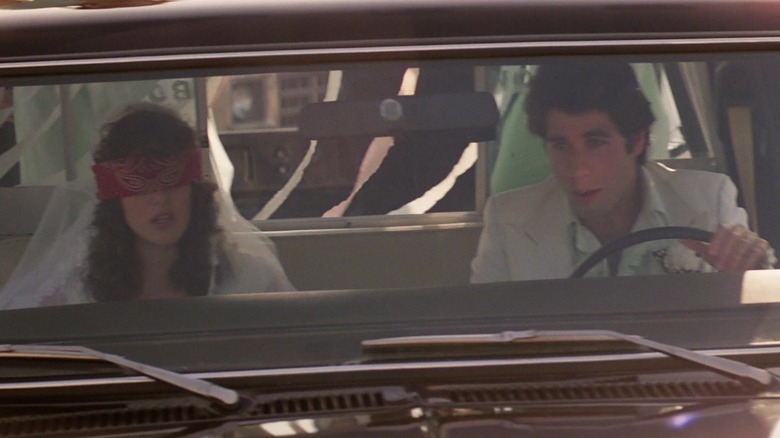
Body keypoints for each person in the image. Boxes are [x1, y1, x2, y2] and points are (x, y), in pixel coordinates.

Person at [471, 61, 776, 282]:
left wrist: (754, 262)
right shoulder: (509, 221)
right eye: (561, 145)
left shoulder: (708, 201)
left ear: (637, 140)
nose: (578, 168)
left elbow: (755, 321)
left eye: (595, 143)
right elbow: (486, 335)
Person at [0, 103, 293, 308]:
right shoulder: (73, 290)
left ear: (193, 189)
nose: (159, 197)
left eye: (173, 180)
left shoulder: (247, 279)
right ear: (115, 198)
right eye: (138, 183)